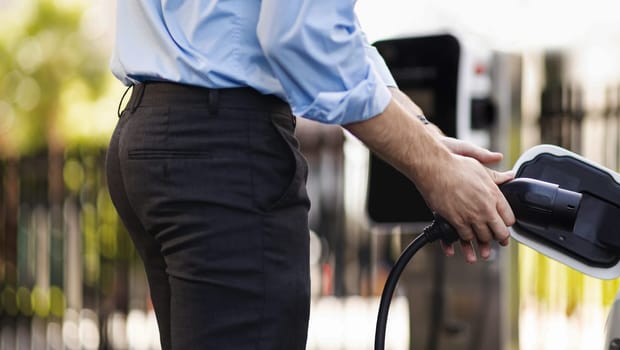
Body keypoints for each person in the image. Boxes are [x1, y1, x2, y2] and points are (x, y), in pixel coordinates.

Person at [106, 1, 516, 349]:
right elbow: (302, 35)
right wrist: (436, 170)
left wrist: (425, 134)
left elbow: (328, 31)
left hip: (152, 129)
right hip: (222, 148)